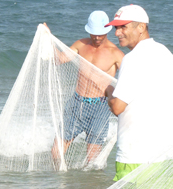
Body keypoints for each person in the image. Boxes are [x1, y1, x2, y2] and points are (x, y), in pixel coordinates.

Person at [104, 5, 173, 189]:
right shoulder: (166, 54)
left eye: (123, 28)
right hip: (169, 153)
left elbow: (118, 107)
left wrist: (109, 91)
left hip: (136, 154)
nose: (117, 34)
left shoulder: (131, 60)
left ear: (142, 27)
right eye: (116, 29)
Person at [48, 11, 124, 167]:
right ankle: (59, 184)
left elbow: (131, 80)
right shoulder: (80, 45)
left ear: (107, 30)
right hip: (77, 103)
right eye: (93, 33)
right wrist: (48, 39)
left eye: (100, 34)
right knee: (56, 152)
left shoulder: (116, 54)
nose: (96, 37)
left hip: (100, 107)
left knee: (93, 160)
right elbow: (59, 60)